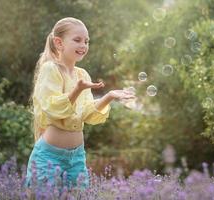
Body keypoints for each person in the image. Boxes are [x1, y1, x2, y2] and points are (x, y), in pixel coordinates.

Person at [24, 17, 135, 194]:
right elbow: (52, 109)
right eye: (77, 40)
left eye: (86, 41)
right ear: (59, 43)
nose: (83, 45)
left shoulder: (82, 74)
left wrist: (109, 96)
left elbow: (87, 114)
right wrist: (76, 90)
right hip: (50, 157)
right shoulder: (50, 69)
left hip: (76, 157)